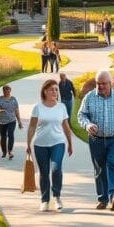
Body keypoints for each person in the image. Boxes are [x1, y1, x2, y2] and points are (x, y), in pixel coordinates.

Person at [77, 70, 114, 211]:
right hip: (96, 140)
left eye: (104, 83)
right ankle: (103, 199)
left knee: (113, 163)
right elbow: (81, 115)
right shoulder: (89, 97)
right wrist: (87, 125)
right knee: (100, 169)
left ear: (111, 83)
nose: (101, 86)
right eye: (98, 83)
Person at [27, 79, 73, 212]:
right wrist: (28, 143)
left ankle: (57, 196)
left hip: (58, 143)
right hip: (40, 144)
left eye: (56, 89)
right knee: (44, 172)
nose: (55, 92)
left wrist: (70, 143)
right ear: (45, 92)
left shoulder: (61, 107)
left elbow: (66, 126)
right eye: (52, 89)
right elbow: (32, 127)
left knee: (56, 169)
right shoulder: (38, 108)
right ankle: (44, 200)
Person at [0, 85, 23, 160]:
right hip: (1, 122)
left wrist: (19, 121)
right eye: (5, 91)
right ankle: (4, 152)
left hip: (11, 120)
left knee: (10, 135)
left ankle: (10, 152)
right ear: (3, 91)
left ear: (10, 91)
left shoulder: (13, 99)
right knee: (3, 137)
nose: (6, 92)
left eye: (8, 90)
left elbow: (16, 111)